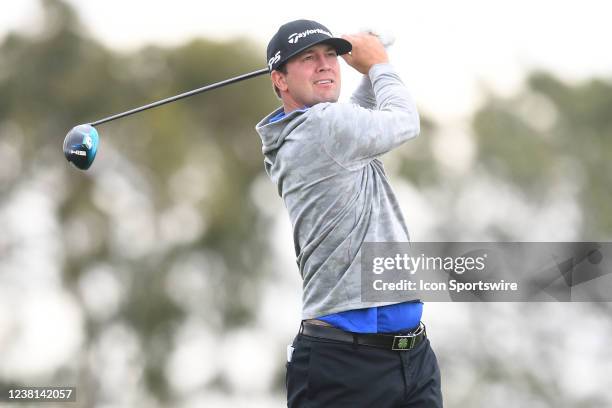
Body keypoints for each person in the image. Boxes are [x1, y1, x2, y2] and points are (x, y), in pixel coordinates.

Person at [255, 19, 442, 407]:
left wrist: (372, 68)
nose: (325, 65)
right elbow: (404, 121)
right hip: (344, 364)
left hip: (410, 356)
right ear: (280, 80)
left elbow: (359, 112)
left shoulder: (317, 129)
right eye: (308, 58)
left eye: (331, 55)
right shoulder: (323, 126)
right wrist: (378, 65)